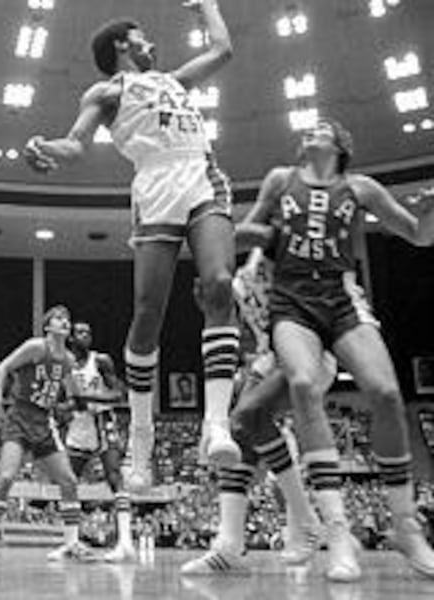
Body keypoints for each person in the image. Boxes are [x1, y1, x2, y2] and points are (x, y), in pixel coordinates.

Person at [23, 0, 241, 489]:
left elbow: (224, 49)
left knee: (220, 283)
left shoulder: (174, 80)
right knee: (148, 314)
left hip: (202, 175)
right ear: (123, 44)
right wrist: (49, 150)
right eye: (142, 37)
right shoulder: (106, 91)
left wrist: (207, 7)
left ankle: (216, 423)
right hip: (156, 187)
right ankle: (140, 439)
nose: (151, 43)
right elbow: (77, 143)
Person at [239, 118, 434, 581]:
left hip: (342, 297)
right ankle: (338, 533)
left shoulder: (360, 187)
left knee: (386, 394)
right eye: (309, 128)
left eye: (323, 127)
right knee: (304, 383)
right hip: (290, 301)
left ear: (341, 144)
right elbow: (248, 230)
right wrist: (256, 239)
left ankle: (406, 529)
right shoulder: (278, 179)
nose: (313, 130)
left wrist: (428, 211)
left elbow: (418, 235)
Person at [181, 248, 332, 576]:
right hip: (270, 359)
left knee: (246, 416)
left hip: (309, 352)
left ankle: (306, 519)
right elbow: (239, 330)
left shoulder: (298, 263)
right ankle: (229, 545)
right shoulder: (241, 283)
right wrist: (212, 304)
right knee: (238, 434)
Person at [0, 306, 95, 562]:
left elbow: (74, 395)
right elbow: (2, 367)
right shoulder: (36, 347)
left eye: (67, 318)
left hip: (44, 421)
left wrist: (76, 404)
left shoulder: (68, 361)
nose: (65, 322)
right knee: (7, 476)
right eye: (59, 318)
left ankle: (71, 543)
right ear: (47, 326)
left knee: (69, 482)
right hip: (20, 416)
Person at [65, 321, 135, 562]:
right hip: (78, 424)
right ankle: (70, 542)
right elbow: (65, 400)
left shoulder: (101, 361)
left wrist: (88, 396)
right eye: (80, 332)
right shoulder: (65, 365)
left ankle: (125, 542)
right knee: (68, 481)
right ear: (71, 338)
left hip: (103, 420)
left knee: (114, 476)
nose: (85, 336)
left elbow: (119, 394)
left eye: (88, 332)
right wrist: (67, 407)